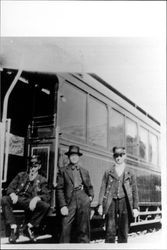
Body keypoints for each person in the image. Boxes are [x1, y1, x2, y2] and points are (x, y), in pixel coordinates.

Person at [1, 155, 51, 243]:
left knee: (45, 206)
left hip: (29, 202)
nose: (32, 169)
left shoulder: (42, 179)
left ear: (39, 167)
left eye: (35, 167)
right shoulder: (21, 175)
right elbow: (10, 188)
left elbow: (46, 196)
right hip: (17, 199)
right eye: (31, 166)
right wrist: (12, 195)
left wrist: (36, 199)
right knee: (4, 199)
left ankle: (28, 227)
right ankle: (14, 229)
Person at [98, 146, 139, 243]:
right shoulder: (108, 171)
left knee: (123, 231)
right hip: (111, 202)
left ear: (125, 156)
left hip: (124, 202)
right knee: (110, 231)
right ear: (113, 156)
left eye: (121, 155)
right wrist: (100, 204)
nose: (118, 157)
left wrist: (135, 207)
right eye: (116, 155)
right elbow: (103, 187)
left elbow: (134, 190)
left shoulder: (130, 172)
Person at [56, 145, 94, 243]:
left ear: (78, 157)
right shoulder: (63, 171)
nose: (74, 157)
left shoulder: (84, 171)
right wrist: (63, 205)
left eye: (76, 155)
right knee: (65, 227)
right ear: (69, 157)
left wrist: (90, 197)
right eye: (72, 155)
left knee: (83, 228)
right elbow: (59, 189)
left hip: (83, 198)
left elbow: (89, 186)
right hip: (70, 200)